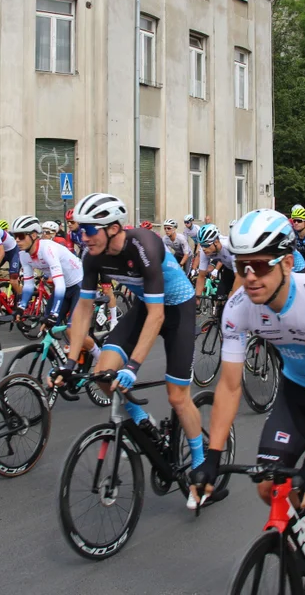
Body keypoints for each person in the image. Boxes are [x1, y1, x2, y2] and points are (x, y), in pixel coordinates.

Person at [190, 209, 305, 593]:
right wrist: (212, 456)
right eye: (242, 266)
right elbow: (229, 387)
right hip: (296, 392)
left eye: (259, 265)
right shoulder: (239, 308)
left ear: (288, 262)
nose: (249, 277)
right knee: (268, 485)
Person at [53, 192, 205, 473]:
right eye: (80, 230)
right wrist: (70, 363)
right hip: (146, 308)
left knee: (177, 397)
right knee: (103, 374)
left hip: (177, 311)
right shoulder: (93, 256)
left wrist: (133, 367)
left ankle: (201, 462)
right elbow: (84, 309)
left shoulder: (143, 245)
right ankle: (143, 422)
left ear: (113, 229)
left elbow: (158, 315)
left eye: (88, 230)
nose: (83, 237)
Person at [10, 215, 99, 362]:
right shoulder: (23, 255)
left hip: (80, 284)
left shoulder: (47, 249)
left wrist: (55, 314)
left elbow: (59, 285)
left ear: (33, 235)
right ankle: (63, 363)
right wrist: (21, 307)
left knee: (73, 331)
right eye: (15, 237)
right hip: (64, 287)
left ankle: (100, 357)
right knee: (46, 326)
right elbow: (29, 284)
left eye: (20, 236)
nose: (17, 241)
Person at [195, 224, 241, 303]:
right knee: (219, 297)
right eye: (202, 245)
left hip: (241, 270)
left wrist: (233, 293)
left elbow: (239, 276)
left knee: (235, 299)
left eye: (206, 245)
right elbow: (201, 276)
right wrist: (197, 299)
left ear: (216, 242)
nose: (203, 249)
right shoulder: (204, 251)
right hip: (229, 268)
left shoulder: (230, 247)